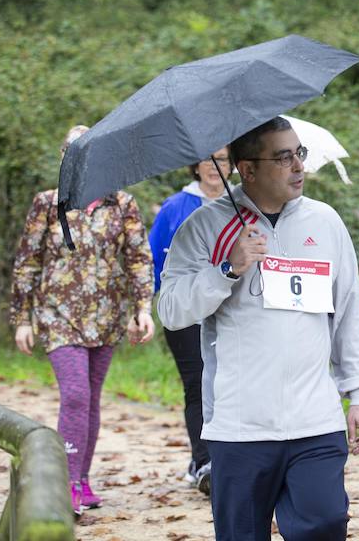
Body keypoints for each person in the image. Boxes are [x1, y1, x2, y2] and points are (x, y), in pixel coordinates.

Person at [157, 116, 359, 541]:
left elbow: (349, 312)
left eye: (300, 153)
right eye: (282, 157)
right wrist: (227, 269)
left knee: (326, 523)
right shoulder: (204, 226)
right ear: (247, 169)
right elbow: (171, 310)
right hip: (240, 425)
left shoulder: (325, 221)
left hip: (315, 419)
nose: (298, 166)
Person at [10, 125, 155, 516]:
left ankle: (83, 478)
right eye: (70, 150)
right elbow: (27, 263)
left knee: (90, 398)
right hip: (57, 315)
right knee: (75, 395)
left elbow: (139, 260)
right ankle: (67, 483)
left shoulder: (122, 204)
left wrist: (142, 308)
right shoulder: (47, 203)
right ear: (62, 156)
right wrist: (22, 318)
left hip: (107, 316)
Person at [148, 147, 232, 495]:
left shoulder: (244, 204)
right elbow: (153, 260)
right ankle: (204, 461)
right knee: (197, 383)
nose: (214, 166)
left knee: (227, 383)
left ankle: (228, 456)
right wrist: (146, 307)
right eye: (207, 159)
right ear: (195, 165)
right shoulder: (176, 207)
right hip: (187, 311)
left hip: (230, 309)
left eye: (222, 159)